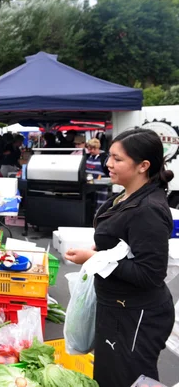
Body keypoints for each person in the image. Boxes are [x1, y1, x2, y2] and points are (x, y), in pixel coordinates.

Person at [65, 128, 175, 387]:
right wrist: (99, 250)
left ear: (143, 166)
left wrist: (94, 258)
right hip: (116, 306)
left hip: (137, 315)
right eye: (109, 156)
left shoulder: (149, 210)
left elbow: (151, 273)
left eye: (117, 159)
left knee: (129, 379)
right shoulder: (125, 197)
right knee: (108, 377)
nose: (108, 164)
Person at [85, 138, 110, 208]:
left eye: (94, 149)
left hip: (101, 186)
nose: (91, 151)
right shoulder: (87, 156)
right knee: (89, 205)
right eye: (90, 149)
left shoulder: (104, 158)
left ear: (98, 148)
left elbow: (108, 173)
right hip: (89, 185)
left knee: (100, 205)